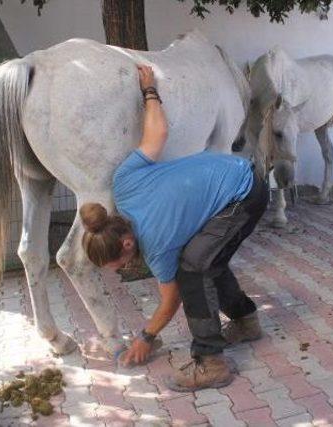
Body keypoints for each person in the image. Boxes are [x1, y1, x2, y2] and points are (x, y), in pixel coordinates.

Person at [79, 64, 269, 391]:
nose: (123, 269)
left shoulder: (158, 248)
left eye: (120, 266)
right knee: (207, 258)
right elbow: (158, 134)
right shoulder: (124, 184)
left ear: (126, 245)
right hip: (233, 172)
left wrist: (145, 338)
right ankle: (246, 321)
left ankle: (212, 363)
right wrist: (149, 89)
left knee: (193, 269)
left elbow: (171, 302)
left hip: (245, 192)